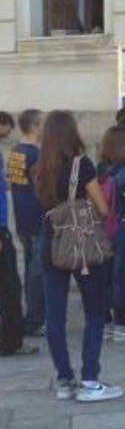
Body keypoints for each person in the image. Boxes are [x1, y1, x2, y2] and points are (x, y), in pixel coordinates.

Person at [35, 110, 123, 401]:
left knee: (55, 316)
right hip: (82, 244)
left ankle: (64, 380)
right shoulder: (81, 165)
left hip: (50, 242)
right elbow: (102, 206)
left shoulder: (39, 167)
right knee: (95, 312)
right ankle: (89, 379)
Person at [97, 126, 125, 343]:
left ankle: (105, 322)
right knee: (122, 277)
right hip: (124, 226)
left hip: (103, 226)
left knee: (104, 276)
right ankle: (121, 325)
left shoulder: (101, 168)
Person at [0, 111, 39, 358]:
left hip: (15, 220)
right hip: (7, 226)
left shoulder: (13, 151)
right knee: (10, 286)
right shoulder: (31, 152)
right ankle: (12, 340)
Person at [6, 109, 46, 335]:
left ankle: (33, 314)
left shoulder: (15, 151)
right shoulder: (35, 155)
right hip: (38, 214)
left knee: (31, 264)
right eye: (43, 124)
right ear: (34, 127)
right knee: (38, 269)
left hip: (22, 215)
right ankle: (35, 318)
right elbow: (41, 186)